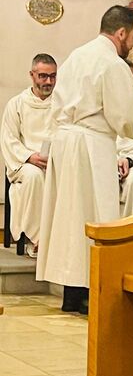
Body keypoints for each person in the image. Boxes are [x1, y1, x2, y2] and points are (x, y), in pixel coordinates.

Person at [36, 5, 133, 314]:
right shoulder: (111, 64)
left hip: (65, 143)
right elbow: (124, 113)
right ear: (121, 33)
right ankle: (89, 292)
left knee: (70, 220)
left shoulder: (76, 56)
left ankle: (71, 294)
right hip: (91, 145)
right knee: (94, 218)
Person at [0, 54, 57, 257]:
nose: (48, 81)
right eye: (43, 76)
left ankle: (62, 240)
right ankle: (37, 239)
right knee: (34, 176)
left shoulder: (62, 105)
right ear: (32, 75)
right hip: (25, 162)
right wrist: (30, 157)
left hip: (54, 162)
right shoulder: (16, 104)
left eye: (52, 76)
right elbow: (9, 139)